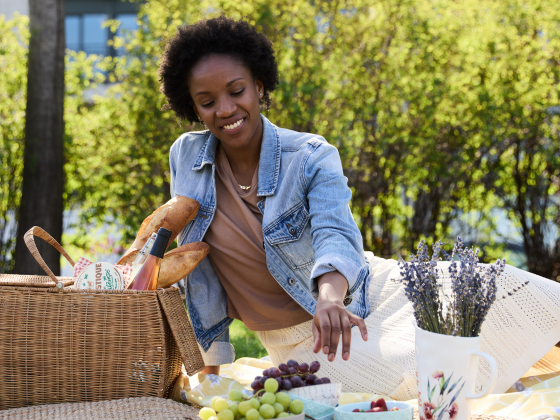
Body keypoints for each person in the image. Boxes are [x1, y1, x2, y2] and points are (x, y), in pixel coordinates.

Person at [158, 16, 560, 400]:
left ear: (259, 87)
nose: (225, 109)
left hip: (359, 295)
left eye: (236, 90)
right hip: (307, 337)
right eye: (207, 101)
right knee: (420, 376)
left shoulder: (311, 155)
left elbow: (336, 233)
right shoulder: (187, 157)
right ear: (192, 107)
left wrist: (329, 298)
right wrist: (209, 372)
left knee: (524, 294)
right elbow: (200, 269)